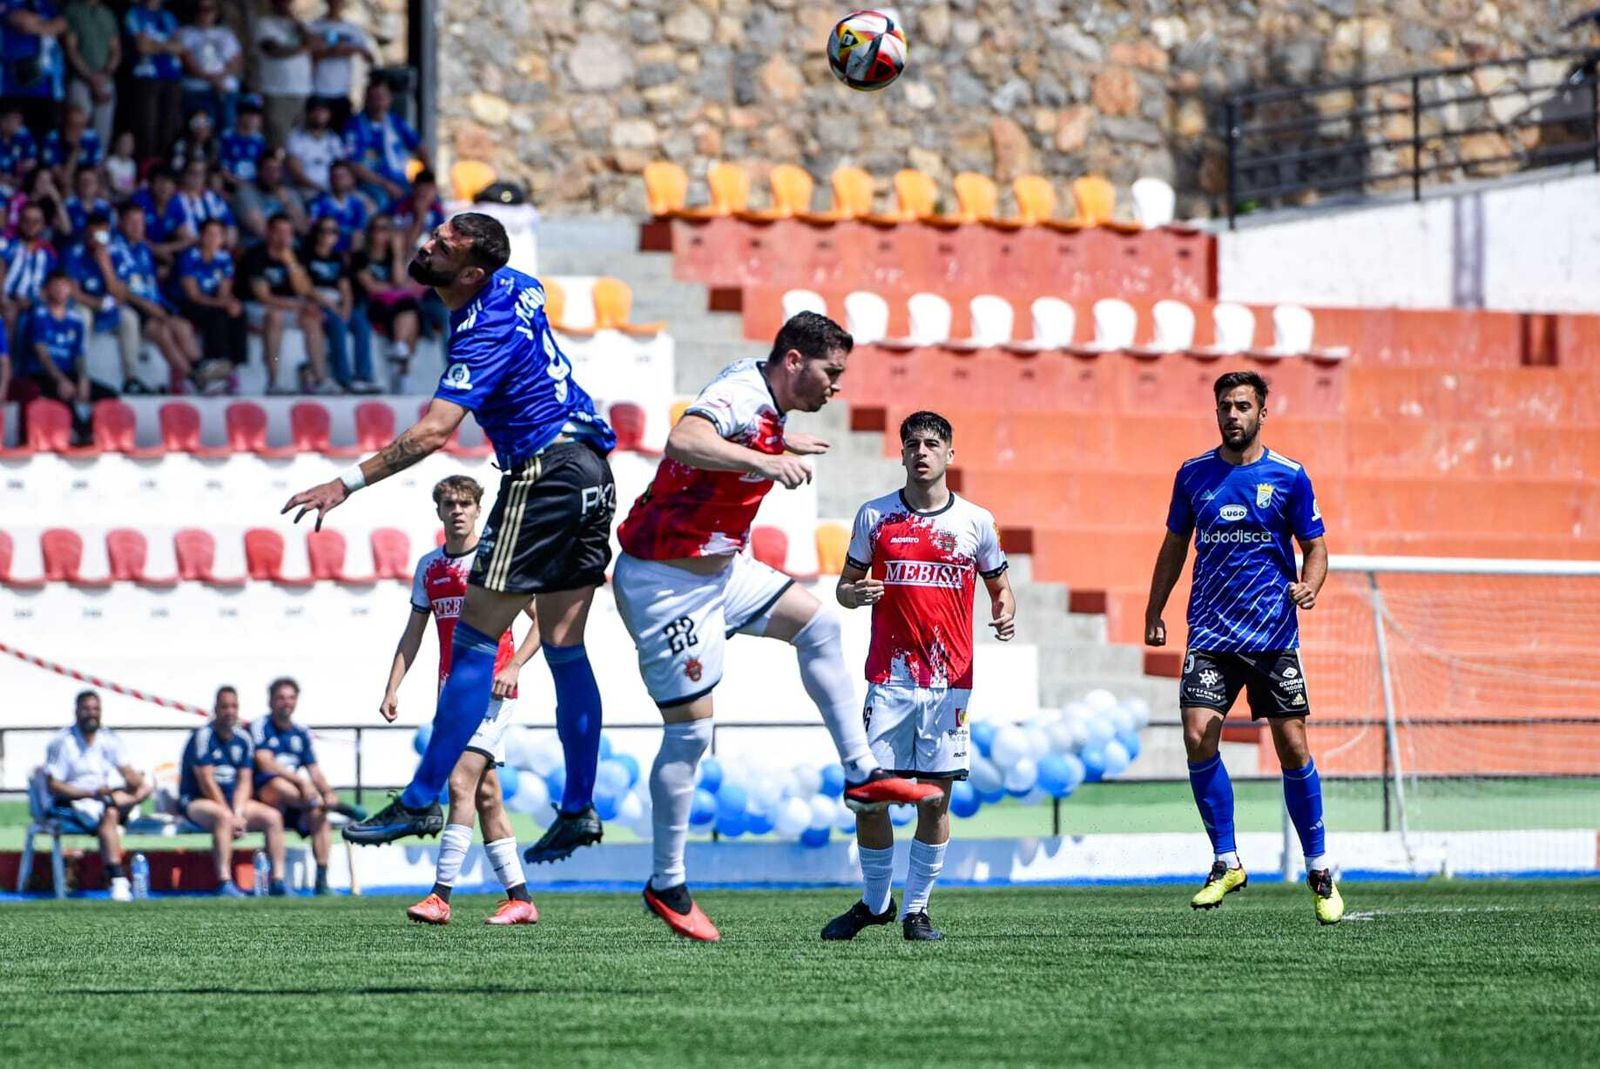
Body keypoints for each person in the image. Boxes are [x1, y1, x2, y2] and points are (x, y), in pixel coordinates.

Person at [284, 213, 617, 854]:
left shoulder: (481, 334)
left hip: (542, 472)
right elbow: (516, 284)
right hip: (592, 472)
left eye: (442, 246)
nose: (426, 245)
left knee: (471, 639)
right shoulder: (516, 284)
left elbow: (433, 433)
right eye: (434, 234)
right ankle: (578, 806)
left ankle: (418, 803)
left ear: (470, 273)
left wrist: (343, 484)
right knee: (564, 646)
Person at [610, 312, 943, 942]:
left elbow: (733, 443)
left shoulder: (767, 405)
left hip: (721, 571)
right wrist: (767, 464)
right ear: (794, 361)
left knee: (817, 626)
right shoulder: (739, 392)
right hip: (665, 584)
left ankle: (861, 773)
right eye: (831, 372)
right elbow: (684, 440)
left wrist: (779, 447)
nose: (836, 387)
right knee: (691, 734)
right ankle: (666, 880)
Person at [1144, 370, 1343, 925]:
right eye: (1225, 406)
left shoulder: (1289, 476)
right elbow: (1174, 548)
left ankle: (1320, 866)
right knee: (1196, 734)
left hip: (1273, 634)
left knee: (1292, 744)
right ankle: (1226, 859)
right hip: (1210, 633)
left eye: (1242, 406)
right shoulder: (1192, 475)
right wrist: (1154, 608)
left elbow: (1317, 546)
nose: (1233, 415)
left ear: (1262, 413)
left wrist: (1311, 583)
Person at [821, 411, 1015, 943]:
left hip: (949, 682)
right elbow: (844, 586)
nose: (922, 452)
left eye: (933, 444)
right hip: (889, 679)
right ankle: (875, 902)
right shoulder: (875, 517)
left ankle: (917, 911)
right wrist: (853, 594)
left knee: (934, 799)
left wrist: (1004, 610)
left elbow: (1000, 584)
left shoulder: (975, 521)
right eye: (913, 444)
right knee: (870, 797)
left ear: (950, 454)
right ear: (902, 454)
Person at [384, 475, 544, 925]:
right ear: (438, 511)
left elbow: (544, 621)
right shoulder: (429, 568)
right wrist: (393, 685)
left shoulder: (495, 561)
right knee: (487, 794)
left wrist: (514, 668)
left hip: (493, 689)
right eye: (449, 503)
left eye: (465, 503)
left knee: (459, 785)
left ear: (478, 509)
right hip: (452, 693)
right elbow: (414, 632)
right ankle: (521, 898)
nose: (457, 510)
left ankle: (439, 896)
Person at [42, 690, 152, 901]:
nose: (91, 714)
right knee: (109, 812)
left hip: (104, 798)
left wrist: (135, 779)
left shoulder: (108, 738)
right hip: (73, 802)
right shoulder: (63, 742)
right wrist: (89, 793)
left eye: (95, 709)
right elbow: (53, 784)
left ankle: (118, 879)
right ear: (77, 711)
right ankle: (118, 878)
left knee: (143, 788)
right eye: (86, 709)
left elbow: (127, 771)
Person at [180, 685, 287, 897]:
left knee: (272, 816)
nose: (230, 711)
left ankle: (278, 882)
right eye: (224, 707)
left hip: (231, 803)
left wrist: (238, 813)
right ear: (216, 709)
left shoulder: (243, 739)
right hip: (198, 801)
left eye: (233, 707)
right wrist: (230, 815)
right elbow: (206, 782)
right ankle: (224, 882)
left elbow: (244, 781)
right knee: (222, 817)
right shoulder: (203, 737)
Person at [250, 677, 343, 896]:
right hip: (266, 793)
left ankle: (321, 880)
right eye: (281, 698)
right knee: (278, 783)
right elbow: (264, 762)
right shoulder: (261, 726)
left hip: (297, 799)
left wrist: (327, 791)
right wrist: (301, 782)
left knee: (320, 814)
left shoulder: (301, 733)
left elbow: (314, 770)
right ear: (271, 701)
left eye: (291, 698)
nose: (286, 702)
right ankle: (278, 881)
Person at [104, 201, 203, 389]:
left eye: (140, 222)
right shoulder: (113, 248)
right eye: (131, 222)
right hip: (132, 305)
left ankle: (201, 369)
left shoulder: (143, 248)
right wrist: (147, 305)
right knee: (162, 332)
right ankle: (194, 377)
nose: (137, 226)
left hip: (154, 303)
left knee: (183, 326)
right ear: (121, 224)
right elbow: (117, 287)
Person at [238, 211, 334, 393]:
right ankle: (273, 381)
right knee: (275, 316)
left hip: (288, 305)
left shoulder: (294, 254)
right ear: (269, 232)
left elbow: (304, 290)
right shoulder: (255, 256)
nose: (284, 237)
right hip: (256, 307)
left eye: (288, 232)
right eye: (279, 232)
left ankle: (321, 379)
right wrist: (299, 306)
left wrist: (291, 263)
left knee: (312, 319)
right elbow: (263, 296)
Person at [22, 268, 114, 439]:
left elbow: (79, 354)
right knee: (63, 392)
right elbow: (42, 354)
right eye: (56, 286)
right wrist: (61, 380)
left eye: (64, 286)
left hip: (68, 373)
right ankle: (81, 436)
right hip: (42, 374)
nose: (60, 290)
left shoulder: (75, 320)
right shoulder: (39, 315)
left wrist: (83, 379)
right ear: (47, 289)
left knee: (110, 395)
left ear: (71, 289)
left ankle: (89, 430)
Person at [301, 215, 375, 392]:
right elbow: (306, 287)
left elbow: (345, 288)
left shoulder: (338, 258)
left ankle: (363, 376)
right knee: (337, 324)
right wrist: (331, 305)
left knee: (362, 324)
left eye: (333, 231)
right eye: (324, 231)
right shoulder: (306, 256)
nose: (329, 235)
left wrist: (346, 308)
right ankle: (343, 377)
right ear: (316, 233)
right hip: (318, 302)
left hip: (337, 302)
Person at [351, 212, 420, 386]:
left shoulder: (392, 256)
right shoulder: (361, 256)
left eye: (386, 229)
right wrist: (394, 287)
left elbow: (398, 280)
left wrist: (397, 253)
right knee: (408, 310)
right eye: (377, 229)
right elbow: (370, 286)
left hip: (394, 305)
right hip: (369, 303)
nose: (380, 234)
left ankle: (400, 352)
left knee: (411, 311)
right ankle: (403, 370)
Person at [174, 216, 244, 386]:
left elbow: (224, 292)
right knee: (216, 314)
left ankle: (233, 364)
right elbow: (193, 295)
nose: (213, 239)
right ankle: (214, 361)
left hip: (211, 303)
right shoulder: (189, 256)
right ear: (201, 236)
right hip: (184, 303)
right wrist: (222, 303)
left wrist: (231, 303)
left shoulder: (224, 258)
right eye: (209, 234)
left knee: (238, 312)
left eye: (218, 235)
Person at [343, 77, 424, 209]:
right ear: (366, 99)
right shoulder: (355, 125)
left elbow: (419, 146)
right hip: (370, 182)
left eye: (382, 96)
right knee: (382, 201)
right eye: (374, 97)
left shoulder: (396, 121)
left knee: (425, 199)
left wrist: (428, 177)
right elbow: (353, 165)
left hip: (401, 180)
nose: (379, 101)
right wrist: (386, 184)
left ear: (390, 98)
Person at [124, 0, 184, 159]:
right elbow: (142, 47)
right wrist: (167, 45)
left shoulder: (168, 16)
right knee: (148, 125)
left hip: (171, 76)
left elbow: (180, 47)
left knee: (169, 125)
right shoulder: (135, 13)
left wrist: (155, 45)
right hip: (147, 76)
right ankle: (147, 164)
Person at [1, 0, 68, 135]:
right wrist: (45, 24)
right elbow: (23, 21)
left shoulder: (44, 2)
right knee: (10, 133)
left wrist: (39, 27)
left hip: (42, 84)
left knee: (41, 132)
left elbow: (62, 23)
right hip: (9, 82)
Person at [253, 0, 313, 148]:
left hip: (301, 91)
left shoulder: (299, 25)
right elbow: (273, 50)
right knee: (278, 140)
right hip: (276, 91)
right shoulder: (265, 24)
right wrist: (302, 49)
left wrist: (298, 24)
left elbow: (314, 42)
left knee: (300, 142)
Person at [308, 0, 375, 131]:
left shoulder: (352, 29)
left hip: (342, 91)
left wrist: (354, 50)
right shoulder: (314, 27)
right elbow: (309, 55)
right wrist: (331, 52)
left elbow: (370, 57)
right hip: (318, 89)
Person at [175, 0, 240, 133]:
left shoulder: (226, 34)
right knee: (199, 130)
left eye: (209, 9)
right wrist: (212, 79)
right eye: (201, 9)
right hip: (197, 90)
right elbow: (187, 62)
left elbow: (237, 62)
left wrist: (220, 78)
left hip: (224, 89)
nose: (205, 13)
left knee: (226, 129)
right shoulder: (186, 33)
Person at [62, 0, 120, 146]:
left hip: (105, 80)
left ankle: (97, 166)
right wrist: (90, 76)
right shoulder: (72, 10)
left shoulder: (107, 14)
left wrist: (105, 74)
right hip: (80, 79)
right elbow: (71, 49)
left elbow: (116, 49)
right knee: (77, 127)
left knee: (103, 132)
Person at [0, 200, 56, 340]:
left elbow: (51, 285)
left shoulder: (48, 252)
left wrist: (32, 301)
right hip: (7, 300)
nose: (31, 226)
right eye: (26, 220)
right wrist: (5, 301)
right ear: (20, 222)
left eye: (36, 222)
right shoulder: (7, 243)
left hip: (34, 303)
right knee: (10, 314)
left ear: (43, 225)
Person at [233, 152, 305, 242]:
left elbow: (303, 229)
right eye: (268, 169)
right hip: (257, 248)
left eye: (277, 170)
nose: (273, 174)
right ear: (259, 171)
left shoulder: (290, 194)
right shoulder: (245, 194)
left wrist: (287, 203)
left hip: (290, 248)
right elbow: (261, 230)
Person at [285, 95, 343, 193]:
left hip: (332, 189)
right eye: (315, 110)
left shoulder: (334, 138)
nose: (319, 114)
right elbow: (297, 174)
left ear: (329, 114)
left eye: (323, 111)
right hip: (305, 189)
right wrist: (320, 189)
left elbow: (342, 168)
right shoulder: (295, 137)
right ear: (307, 113)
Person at [308, 159, 368, 251]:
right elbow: (313, 228)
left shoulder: (357, 204)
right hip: (328, 250)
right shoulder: (319, 203)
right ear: (330, 179)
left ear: (350, 179)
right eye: (335, 176)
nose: (339, 180)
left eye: (342, 176)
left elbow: (360, 229)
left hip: (350, 250)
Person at [218, 95, 267, 190]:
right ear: (239, 115)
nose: (252, 117)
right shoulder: (227, 138)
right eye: (248, 113)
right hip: (232, 187)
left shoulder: (260, 141)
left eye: (256, 114)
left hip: (255, 188)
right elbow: (223, 169)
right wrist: (239, 183)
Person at [39, 101, 99, 177]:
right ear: (65, 125)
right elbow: (63, 180)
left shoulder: (91, 138)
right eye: (73, 125)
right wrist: (75, 150)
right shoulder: (52, 138)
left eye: (82, 125)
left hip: (81, 182)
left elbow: (95, 173)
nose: (78, 130)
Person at [0, 107, 38, 179]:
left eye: (17, 121)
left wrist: (18, 170)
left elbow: (32, 162)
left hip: (17, 182)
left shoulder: (25, 137)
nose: (13, 124)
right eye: (9, 120)